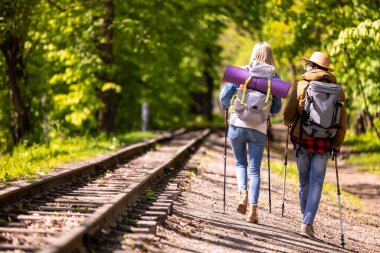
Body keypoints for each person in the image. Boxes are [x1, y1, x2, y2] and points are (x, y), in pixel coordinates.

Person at [283, 52, 347, 238]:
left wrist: (287, 123)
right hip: (325, 141)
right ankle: (307, 223)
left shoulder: (302, 85)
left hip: (302, 140)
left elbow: (288, 115)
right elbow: (342, 120)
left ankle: (306, 220)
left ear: (311, 66)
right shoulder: (337, 89)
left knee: (304, 183)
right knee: (317, 182)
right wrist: (337, 143)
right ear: (326, 70)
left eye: (308, 64)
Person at [219, 41, 282, 223]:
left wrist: (227, 107)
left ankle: (243, 194)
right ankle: (253, 210)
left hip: (238, 124)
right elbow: (277, 108)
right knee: (254, 170)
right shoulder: (275, 78)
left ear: (254, 53)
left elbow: (224, 96)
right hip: (258, 129)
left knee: (240, 164)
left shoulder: (242, 72)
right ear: (270, 56)